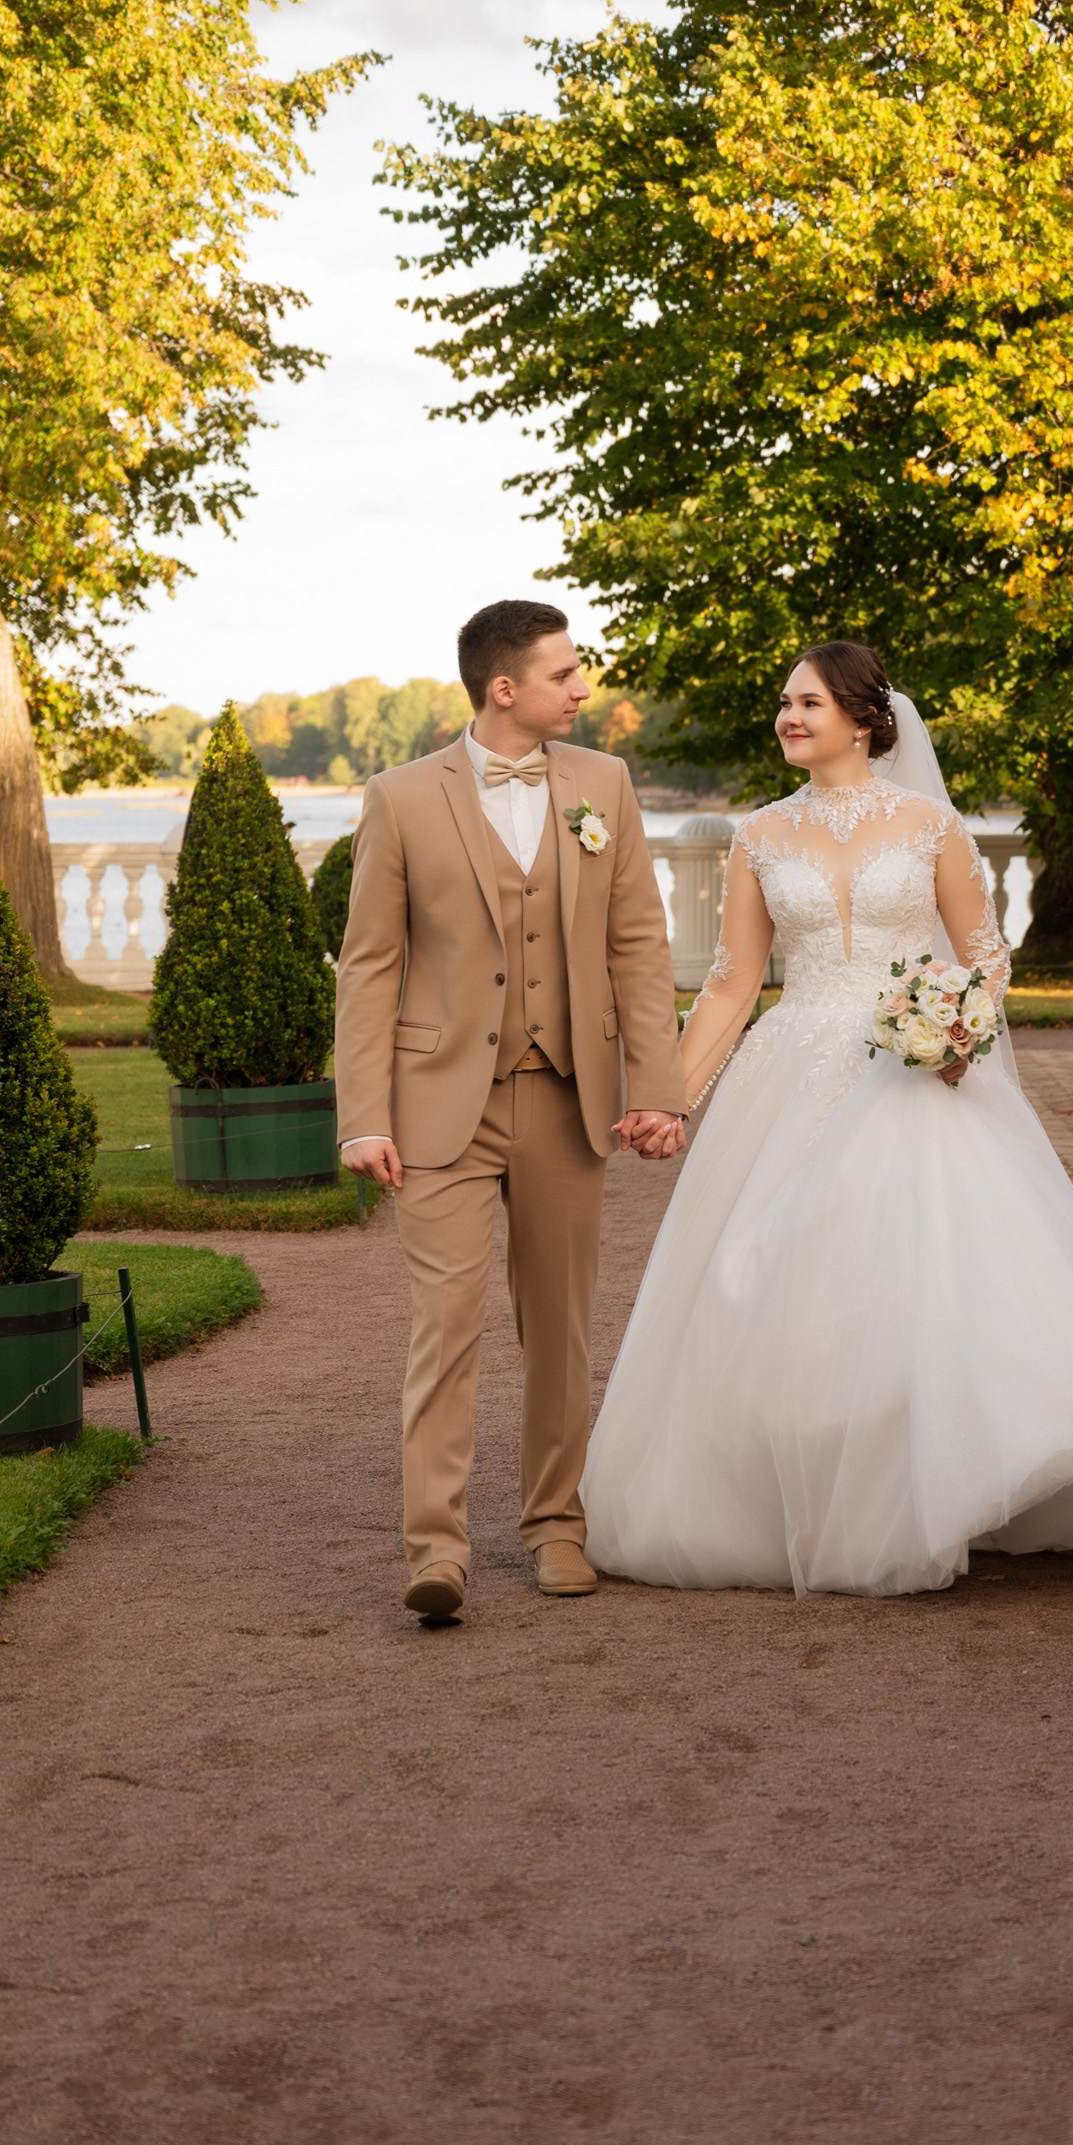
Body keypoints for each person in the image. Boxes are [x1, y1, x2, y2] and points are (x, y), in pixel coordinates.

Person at [581, 641, 1073, 1596]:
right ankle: (812, 1489)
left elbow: (984, 952)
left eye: (806, 703)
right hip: (793, 1068)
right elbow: (731, 985)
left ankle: (954, 1481)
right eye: (784, 704)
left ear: (864, 719)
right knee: (773, 1272)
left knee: (929, 1277)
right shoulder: (759, 836)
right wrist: (670, 1098)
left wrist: (955, 1026)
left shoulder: (930, 826)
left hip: (912, 1071)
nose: (788, 718)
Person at [336, 600, 686, 1625]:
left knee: (559, 1326)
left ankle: (554, 1525)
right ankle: (435, 1547)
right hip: (436, 1101)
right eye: (565, 673)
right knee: (443, 1326)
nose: (582, 689)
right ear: (504, 688)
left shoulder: (601, 786)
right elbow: (369, 966)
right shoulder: (399, 799)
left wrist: (655, 1088)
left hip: (566, 1095)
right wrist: (363, 1112)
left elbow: (638, 945)